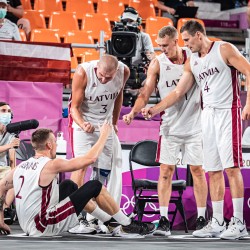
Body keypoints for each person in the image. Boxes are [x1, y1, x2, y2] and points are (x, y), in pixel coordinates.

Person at [142, 20, 250, 240]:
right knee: (213, 170)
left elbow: (249, 71)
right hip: (207, 116)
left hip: (227, 112)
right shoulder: (192, 63)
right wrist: (155, 109)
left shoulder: (224, 49)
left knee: (231, 167)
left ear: (199, 35)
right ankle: (218, 221)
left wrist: (249, 104)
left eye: (187, 40)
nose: (185, 45)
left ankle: (238, 222)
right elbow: (177, 93)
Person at [123, 25, 208, 236]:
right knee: (165, 172)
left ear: (176, 42)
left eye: (165, 46)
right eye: (159, 46)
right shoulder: (158, 63)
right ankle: (163, 219)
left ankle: (201, 218)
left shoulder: (193, 57)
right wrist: (134, 111)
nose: (162, 50)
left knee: (197, 171)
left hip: (195, 125)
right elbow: (145, 93)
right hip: (170, 126)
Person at [0, 123, 154, 236]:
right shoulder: (52, 164)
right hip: (43, 226)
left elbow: (1, 186)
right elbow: (90, 158)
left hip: (28, 225)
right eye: (54, 142)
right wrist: (104, 135)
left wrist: (0, 220)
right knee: (94, 186)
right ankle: (127, 225)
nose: (55, 145)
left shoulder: (21, 167)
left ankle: (110, 222)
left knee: (69, 186)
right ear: (49, 145)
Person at [68, 54, 130, 232]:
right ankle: (79, 219)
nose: (103, 79)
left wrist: (115, 122)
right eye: (101, 75)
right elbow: (74, 107)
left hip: (105, 124)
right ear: (97, 68)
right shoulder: (83, 72)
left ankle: (93, 217)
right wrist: (82, 123)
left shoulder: (123, 71)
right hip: (83, 123)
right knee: (81, 168)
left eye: (108, 77)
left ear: (116, 71)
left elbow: (119, 96)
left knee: (102, 172)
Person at [0, 102, 20, 224]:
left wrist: (15, 171)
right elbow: (9, 146)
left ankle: (5, 209)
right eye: (3, 111)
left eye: (8, 111)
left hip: (3, 168)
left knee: (15, 176)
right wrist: (9, 145)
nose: (7, 114)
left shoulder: (11, 133)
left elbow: (12, 158)